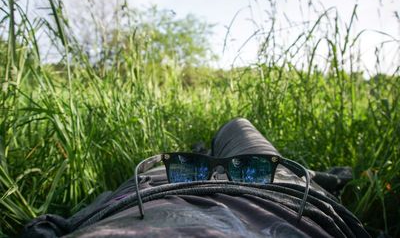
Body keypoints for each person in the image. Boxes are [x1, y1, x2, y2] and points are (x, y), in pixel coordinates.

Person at [22, 118, 370, 237]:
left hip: (161, 182)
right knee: (237, 126)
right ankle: (314, 177)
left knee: (184, 154)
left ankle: (200, 154)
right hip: (268, 184)